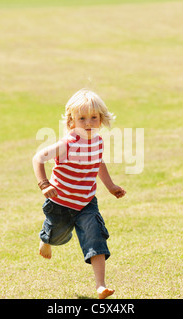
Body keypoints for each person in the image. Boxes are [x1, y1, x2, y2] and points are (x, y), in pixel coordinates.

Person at [32, 88, 126, 299]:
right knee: (58, 236)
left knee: (96, 237)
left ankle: (101, 286)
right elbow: (38, 158)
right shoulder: (67, 144)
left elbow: (98, 163)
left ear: (101, 119)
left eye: (93, 117)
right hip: (60, 202)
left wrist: (110, 186)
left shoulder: (98, 142)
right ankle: (46, 237)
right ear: (71, 121)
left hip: (86, 202)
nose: (88, 123)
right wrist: (44, 184)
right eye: (82, 118)